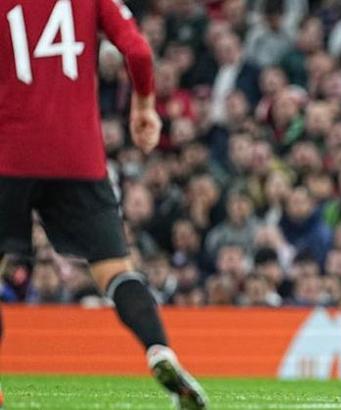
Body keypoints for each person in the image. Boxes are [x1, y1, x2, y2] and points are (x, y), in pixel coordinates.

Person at [0, 1, 207, 408]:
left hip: (9, 155)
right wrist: (143, 105)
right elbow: (139, 51)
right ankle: (159, 350)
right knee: (115, 270)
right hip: (79, 158)